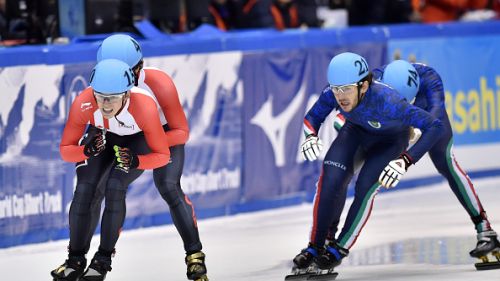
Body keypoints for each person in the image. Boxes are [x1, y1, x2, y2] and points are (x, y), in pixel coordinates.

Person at [290, 52, 444, 277]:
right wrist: (310, 136)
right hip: (356, 133)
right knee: (330, 178)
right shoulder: (333, 93)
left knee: (365, 186)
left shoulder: (389, 102)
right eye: (336, 88)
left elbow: (436, 127)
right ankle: (315, 245)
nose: (340, 95)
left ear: (364, 86)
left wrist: (406, 159)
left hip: (390, 143)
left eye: (346, 89)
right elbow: (313, 117)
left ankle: (339, 247)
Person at [94, 34, 208, 281]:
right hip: (129, 137)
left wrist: (151, 143)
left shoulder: (158, 83)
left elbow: (181, 132)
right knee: (112, 186)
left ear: (139, 68)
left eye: (122, 73)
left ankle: (194, 254)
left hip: (160, 135)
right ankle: (101, 259)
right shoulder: (100, 85)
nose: (114, 80)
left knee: (167, 185)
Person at [51, 59, 171, 281]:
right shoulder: (84, 102)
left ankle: (103, 260)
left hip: (137, 141)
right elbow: (66, 151)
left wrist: (136, 161)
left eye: (113, 98)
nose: (105, 105)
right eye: (100, 97)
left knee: (115, 186)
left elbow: (163, 156)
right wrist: (86, 151)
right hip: (103, 135)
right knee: (84, 191)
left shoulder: (144, 106)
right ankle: (74, 260)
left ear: (126, 94)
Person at [373, 60, 500, 260]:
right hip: (393, 122)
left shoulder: (430, 79)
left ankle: (485, 230)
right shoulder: (376, 80)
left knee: (446, 164)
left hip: (428, 119)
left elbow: (435, 123)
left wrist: (411, 145)